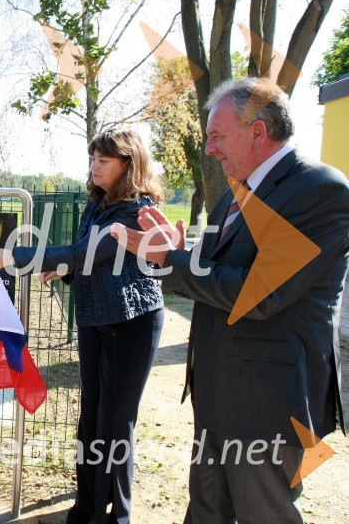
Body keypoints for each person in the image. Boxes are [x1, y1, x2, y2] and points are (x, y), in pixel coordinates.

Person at [112, 77, 349, 523]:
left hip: (269, 404)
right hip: (219, 391)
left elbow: (258, 294)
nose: (209, 148)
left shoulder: (321, 191)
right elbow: (220, 268)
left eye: (216, 136)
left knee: (265, 514)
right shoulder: (233, 196)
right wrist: (175, 253)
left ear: (257, 131)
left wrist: (175, 260)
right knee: (205, 512)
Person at [0, 129, 165, 524]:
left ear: (128, 165)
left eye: (104, 161)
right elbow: (87, 261)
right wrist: (60, 269)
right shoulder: (98, 204)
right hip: (97, 320)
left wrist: (13, 255)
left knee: (116, 423)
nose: (94, 168)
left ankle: (117, 515)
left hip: (133, 324)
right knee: (92, 417)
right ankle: (88, 506)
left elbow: (85, 253)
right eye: (93, 159)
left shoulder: (135, 210)